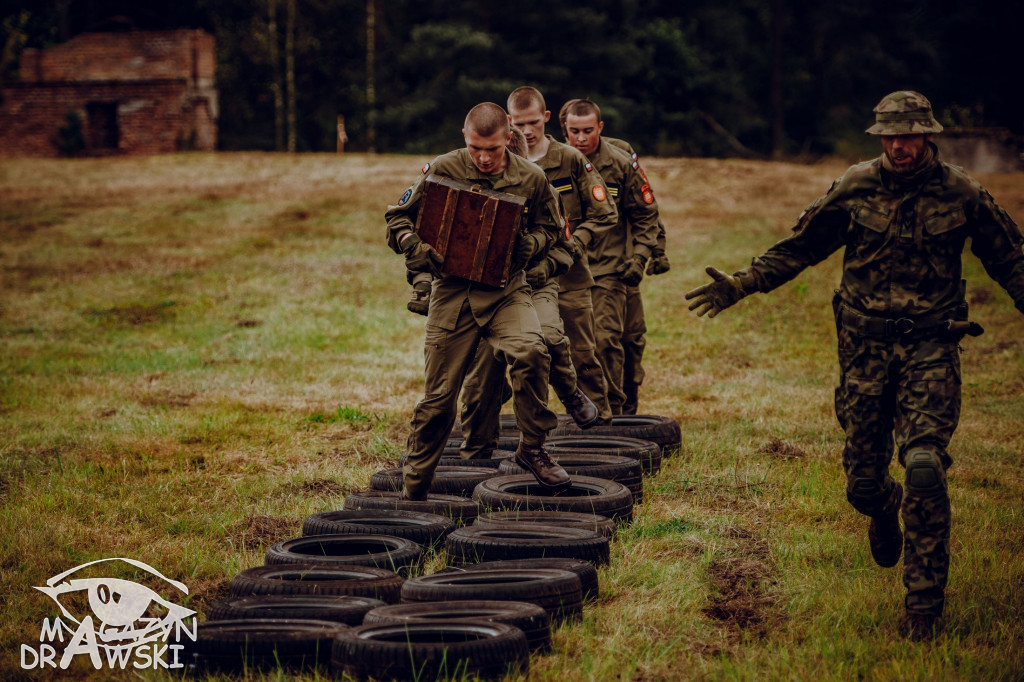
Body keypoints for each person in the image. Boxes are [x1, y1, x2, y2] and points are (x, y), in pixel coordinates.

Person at [684, 91, 1024, 640]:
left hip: (931, 346)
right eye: (889, 136)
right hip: (864, 350)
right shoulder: (856, 185)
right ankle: (884, 506)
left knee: (924, 465)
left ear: (928, 135)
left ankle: (923, 608)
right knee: (863, 485)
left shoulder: (962, 193)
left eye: (909, 135)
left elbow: (1011, 261)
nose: (899, 146)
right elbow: (802, 247)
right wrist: (743, 284)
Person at [385, 102, 571, 497]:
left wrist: (529, 244)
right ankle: (415, 485)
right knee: (439, 400)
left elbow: (553, 230)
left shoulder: (532, 178)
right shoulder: (443, 168)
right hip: (453, 293)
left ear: (508, 138)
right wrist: (413, 246)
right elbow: (397, 218)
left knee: (531, 352)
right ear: (465, 138)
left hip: (506, 289)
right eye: (476, 148)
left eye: (493, 148)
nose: (484, 158)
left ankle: (533, 448)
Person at [455, 90, 607, 458]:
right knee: (481, 380)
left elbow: (562, 236)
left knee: (551, 342)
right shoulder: (471, 182)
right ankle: (477, 451)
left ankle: (552, 432)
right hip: (482, 293)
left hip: (533, 285)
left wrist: (542, 263)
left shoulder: (541, 185)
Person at [562, 99, 662, 415]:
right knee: (576, 347)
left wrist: (642, 256)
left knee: (613, 340)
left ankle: (618, 410)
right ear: (564, 130)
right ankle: (590, 409)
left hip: (611, 267)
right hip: (568, 268)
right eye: (574, 131)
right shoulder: (555, 165)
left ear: (600, 128)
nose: (580, 138)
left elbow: (646, 214)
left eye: (587, 131)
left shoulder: (620, 164)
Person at [405, 127, 529, 316]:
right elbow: (412, 223)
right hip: (456, 287)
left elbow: (553, 239)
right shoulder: (458, 181)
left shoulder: (533, 184)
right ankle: (421, 278)